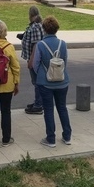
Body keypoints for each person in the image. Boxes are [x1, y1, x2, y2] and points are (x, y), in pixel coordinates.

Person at [33, 16, 71, 148]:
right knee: (62, 108)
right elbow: (65, 62)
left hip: (45, 82)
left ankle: (51, 138)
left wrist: (42, 74)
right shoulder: (63, 44)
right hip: (62, 81)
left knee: (48, 110)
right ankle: (67, 136)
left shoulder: (40, 45)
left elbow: (35, 64)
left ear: (44, 29)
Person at [20, 6, 44, 115]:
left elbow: (36, 44)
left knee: (37, 82)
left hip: (34, 59)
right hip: (34, 58)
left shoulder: (35, 26)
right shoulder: (37, 25)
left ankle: (38, 105)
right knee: (37, 82)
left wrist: (31, 61)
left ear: (30, 14)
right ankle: (38, 102)